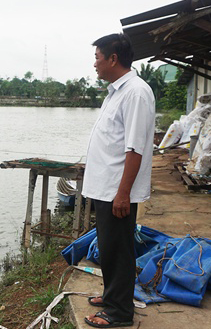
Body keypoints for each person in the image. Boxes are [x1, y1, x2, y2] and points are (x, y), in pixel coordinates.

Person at [82, 33, 155, 328]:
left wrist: (123, 193)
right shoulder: (116, 91)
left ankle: (119, 312)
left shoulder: (136, 92)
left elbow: (135, 147)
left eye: (98, 57)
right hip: (105, 185)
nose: (94, 64)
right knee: (109, 246)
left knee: (119, 249)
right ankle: (112, 296)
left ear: (113, 58)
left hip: (116, 189)